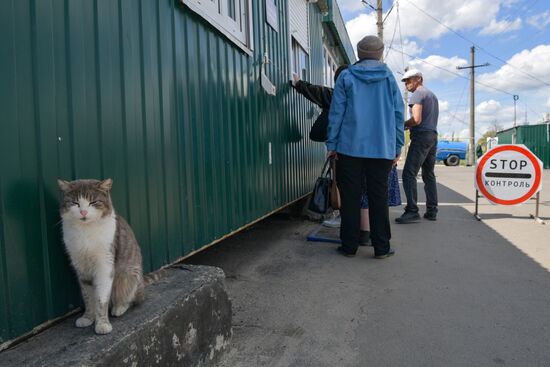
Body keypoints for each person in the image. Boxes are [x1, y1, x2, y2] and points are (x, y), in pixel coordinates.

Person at [326, 35, 404, 258]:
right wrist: (397, 145)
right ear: (380, 53)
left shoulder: (347, 76)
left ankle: (349, 246)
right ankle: (382, 248)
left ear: (359, 53)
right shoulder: (388, 77)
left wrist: (332, 143)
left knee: (350, 198)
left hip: (349, 148)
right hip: (381, 149)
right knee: (378, 197)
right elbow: (399, 114)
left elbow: (336, 113)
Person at [396, 68, 439, 224]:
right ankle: (432, 210)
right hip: (432, 136)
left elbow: (416, 119)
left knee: (408, 173)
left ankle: (412, 211)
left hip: (421, 137)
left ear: (418, 79)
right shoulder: (432, 95)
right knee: (429, 174)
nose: (406, 84)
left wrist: (401, 124)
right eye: (405, 81)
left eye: (409, 80)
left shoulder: (418, 94)